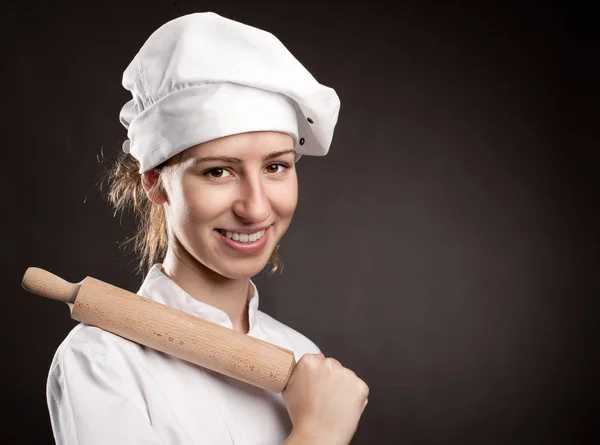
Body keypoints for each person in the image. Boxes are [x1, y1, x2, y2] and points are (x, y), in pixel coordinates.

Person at [46, 12, 368, 445]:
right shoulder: (102, 362)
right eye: (218, 172)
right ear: (154, 182)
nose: (255, 208)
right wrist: (318, 433)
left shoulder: (304, 361)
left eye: (276, 166)